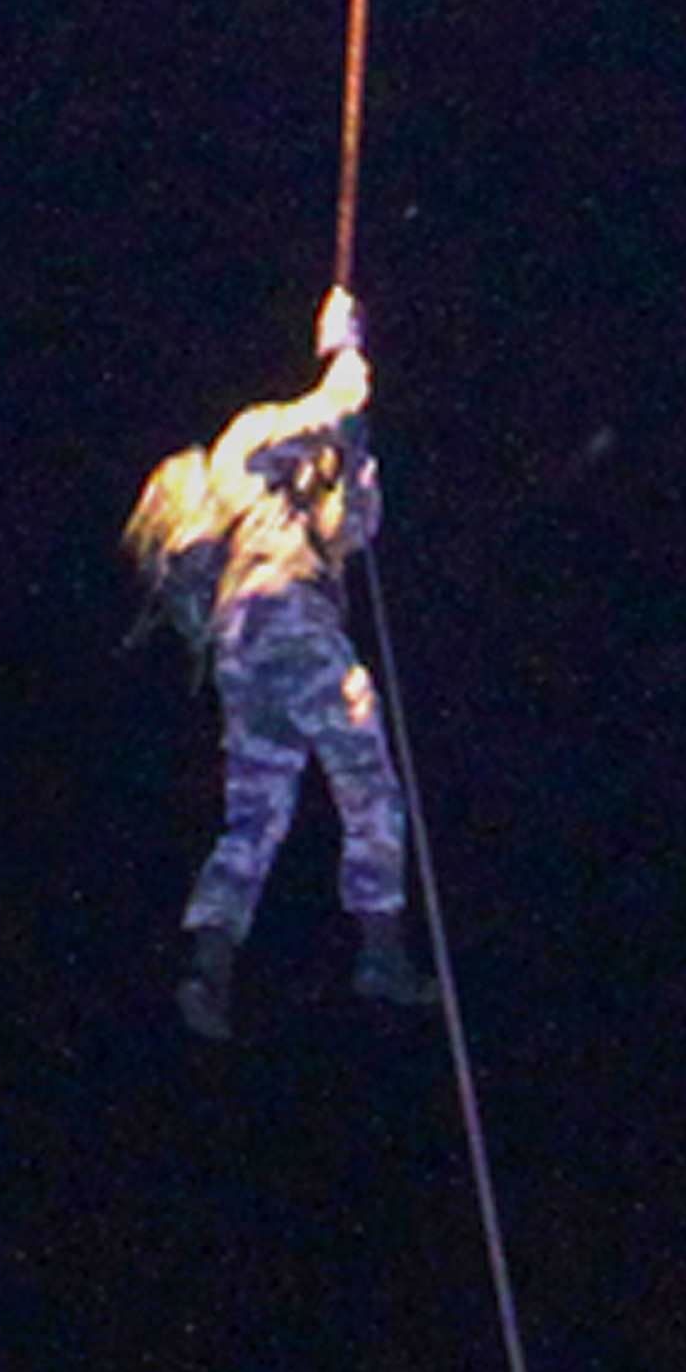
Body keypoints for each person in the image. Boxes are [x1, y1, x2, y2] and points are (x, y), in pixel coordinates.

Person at [127, 287, 417, 1037]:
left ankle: (210, 967)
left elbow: (355, 527)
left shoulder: (293, 503)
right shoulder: (250, 438)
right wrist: (343, 349)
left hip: (245, 648)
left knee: (254, 815)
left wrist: (356, 465)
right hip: (285, 617)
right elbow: (333, 406)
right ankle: (382, 951)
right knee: (365, 774)